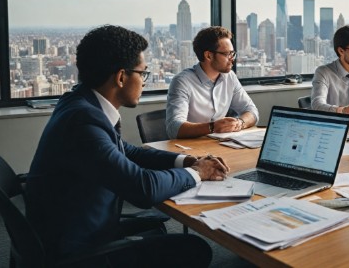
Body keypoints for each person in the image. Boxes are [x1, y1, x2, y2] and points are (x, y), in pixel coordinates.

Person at [25, 25, 227, 267]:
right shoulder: (84, 122)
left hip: (73, 226)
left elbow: (126, 151)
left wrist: (186, 161)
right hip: (77, 250)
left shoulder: (79, 102)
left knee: (160, 235)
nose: (143, 81)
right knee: (194, 249)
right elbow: (143, 189)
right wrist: (198, 172)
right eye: (142, 74)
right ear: (121, 77)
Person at [166, 26, 259, 139]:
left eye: (232, 53)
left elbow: (252, 111)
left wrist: (240, 123)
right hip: (191, 149)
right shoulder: (182, 82)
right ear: (208, 55)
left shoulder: (229, 77)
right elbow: (174, 128)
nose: (232, 58)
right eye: (227, 54)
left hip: (220, 145)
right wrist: (213, 127)